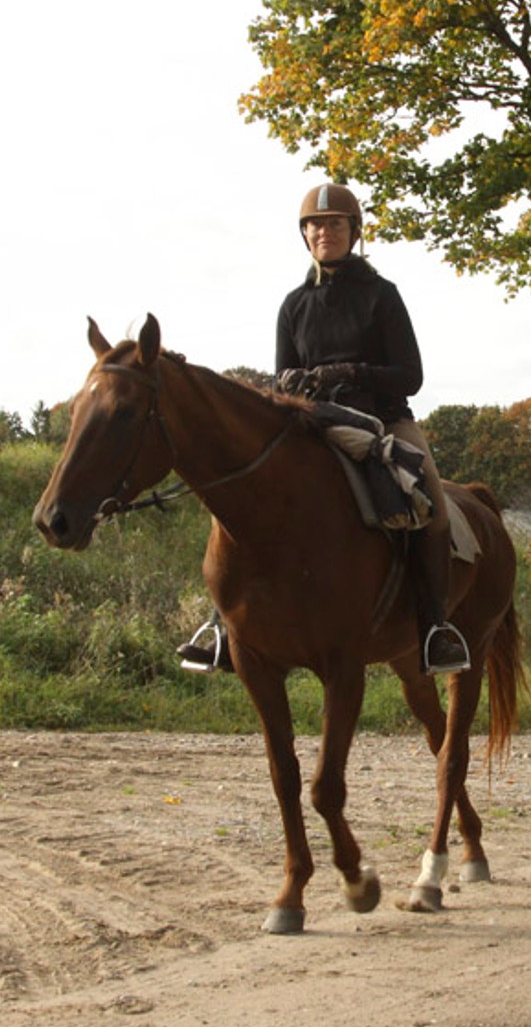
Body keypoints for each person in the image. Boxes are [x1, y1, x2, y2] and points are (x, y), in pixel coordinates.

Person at [179, 181, 471, 676]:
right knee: (249, 495)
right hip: (313, 424)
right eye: (315, 225)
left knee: (431, 505)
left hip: (384, 420)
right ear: (305, 235)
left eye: (334, 224)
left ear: (353, 232)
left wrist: (350, 372)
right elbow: (280, 379)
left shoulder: (382, 295)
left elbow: (411, 376)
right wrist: (291, 382)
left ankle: (435, 627)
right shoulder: (293, 305)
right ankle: (228, 628)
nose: (324, 232)